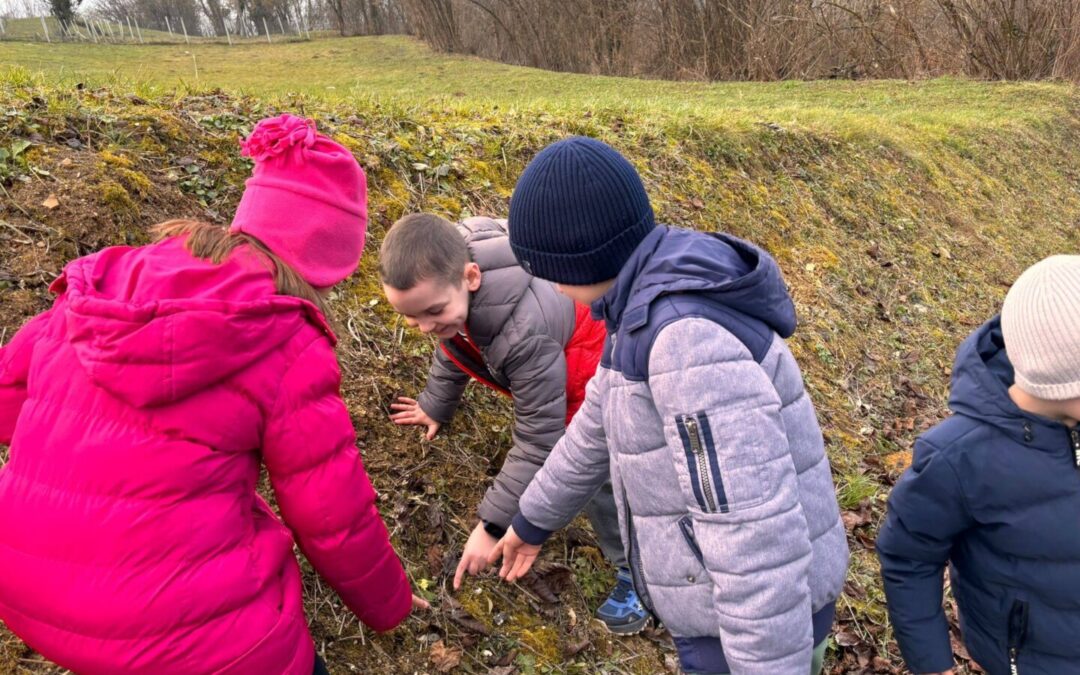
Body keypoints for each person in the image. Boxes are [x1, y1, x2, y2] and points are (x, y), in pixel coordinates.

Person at [0, 114, 424, 675]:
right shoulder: (286, 340)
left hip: (24, 588)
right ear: (328, 261)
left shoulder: (103, 285)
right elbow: (332, 516)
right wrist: (389, 604)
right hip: (171, 635)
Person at [489, 135, 849, 674]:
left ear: (584, 257)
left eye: (550, 271)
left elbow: (751, 531)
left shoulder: (683, 342)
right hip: (718, 607)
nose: (552, 288)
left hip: (753, 633)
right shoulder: (638, 304)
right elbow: (596, 428)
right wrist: (531, 521)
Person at [380, 213, 649, 634]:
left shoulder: (521, 335)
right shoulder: (455, 268)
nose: (428, 327)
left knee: (598, 474)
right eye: (413, 320)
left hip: (595, 374)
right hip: (556, 360)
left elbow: (539, 440)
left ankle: (638, 572)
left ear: (471, 278)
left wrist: (491, 526)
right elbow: (454, 343)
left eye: (433, 312)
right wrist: (436, 404)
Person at [877, 255, 1080, 675]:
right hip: (1032, 660)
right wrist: (933, 663)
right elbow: (907, 556)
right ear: (1059, 383)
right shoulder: (960, 457)